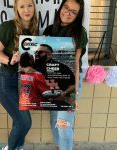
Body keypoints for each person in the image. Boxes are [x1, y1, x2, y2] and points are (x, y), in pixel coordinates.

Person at [0, 0, 38, 149]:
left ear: (34, 7)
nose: (27, 9)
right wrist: (10, 60)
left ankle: (18, 148)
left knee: (18, 122)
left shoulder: (35, 30)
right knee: (25, 122)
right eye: (22, 6)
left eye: (30, 5)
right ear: (16, 9)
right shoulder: (8, 27)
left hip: (24, 82)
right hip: (8, 81)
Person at [43, 0, 88, 150]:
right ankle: (60, 147)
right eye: (66, 8)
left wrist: (74, 93)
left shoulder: (79, 32)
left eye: (73, 12)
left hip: (70, 82)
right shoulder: (49, 30)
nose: (68, 13)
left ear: (78, 16)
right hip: (52, 82)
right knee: (54, 120)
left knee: (64, 124)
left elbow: (75, 64)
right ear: (61, 7)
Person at [34, 44, 76, 110]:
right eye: (36, 52)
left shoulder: (62, 67)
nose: (37, 54)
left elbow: (73, 85)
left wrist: (64, 94)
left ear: (49, 54)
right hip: (38, 102)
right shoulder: (34, 67)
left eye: (40, 52)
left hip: (57, 103)